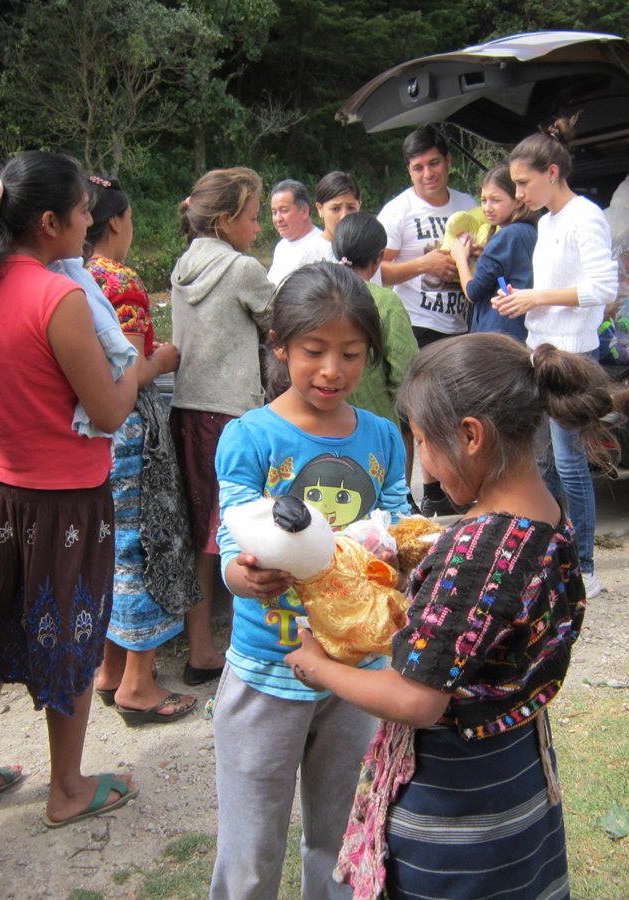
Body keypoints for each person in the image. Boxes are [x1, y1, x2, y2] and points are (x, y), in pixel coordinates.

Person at [285, 333, 613, 900]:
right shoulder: (548, 516)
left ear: (470, 435)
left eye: (425, 446)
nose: (428, 471)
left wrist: (318, 666)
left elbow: (418, 699)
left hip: (455, 813)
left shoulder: (474, 555)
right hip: (517, 777)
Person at [0, 151, 140, 828]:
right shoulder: (59, 297)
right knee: (70, 640)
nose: (90, 221)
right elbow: (108, 412)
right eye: (83, 211)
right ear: (50, 223)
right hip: (67, 505)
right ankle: (67, 789)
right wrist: (142, 365)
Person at [210, 262, 409, 899]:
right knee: (250, 850)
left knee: (343, 838)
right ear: (279, 347)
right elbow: (231, 542)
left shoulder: (381, 437)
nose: (332, 371)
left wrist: (397, 548)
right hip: (268, 670)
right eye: (314, 351)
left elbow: (399, 523)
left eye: (351, 354)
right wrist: (244, 576)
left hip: (357, 675)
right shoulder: (250, 437)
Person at [84, 174, 198, 723]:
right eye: (129, 221)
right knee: (143, 545)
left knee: (108, 548)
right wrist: (166, 358)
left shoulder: (68, 277)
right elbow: (127, 372)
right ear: (114, 223)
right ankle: (138, 683)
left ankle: (109, 670)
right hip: (130, 430)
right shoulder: (118, 283)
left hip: (87, 436)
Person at [493, 115, 619, 600]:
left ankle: (585, 567)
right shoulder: (546, 222)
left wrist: (536, 296)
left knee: (569, 463)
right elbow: (556, 290)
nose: (518, 192)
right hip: (540, 348)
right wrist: (525, 300)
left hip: (571, 353)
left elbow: (603, 289)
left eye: (523, 182)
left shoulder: (585, 215)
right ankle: (550, 555)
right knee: (542, 460)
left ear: (552, 173)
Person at [171, 166, 275, 686]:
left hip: (188, 410)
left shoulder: (183, 265)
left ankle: (201, 648)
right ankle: (244, 646)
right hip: (233, 413)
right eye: (254, 218)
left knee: (201, 532)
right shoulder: (241, 270)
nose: (259, 229)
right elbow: (281, 321)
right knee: (239, 529)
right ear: (228, 219)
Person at [377, 126, 476, 516]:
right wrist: (424, 264)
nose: (427, 173)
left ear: (448, 161)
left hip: (463, 322)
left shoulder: (468, 205)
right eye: (418, 167)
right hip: (417, 322)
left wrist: (471, 263)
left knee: (454, 414)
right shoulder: (398, 211)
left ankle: (447, 490)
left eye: (434, 163)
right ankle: (409, 494)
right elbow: (377, 271)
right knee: (416, 415)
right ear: (409, 171)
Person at [331, 212, 418, 481]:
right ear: (379, 257)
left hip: (318, 428)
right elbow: (406, 371)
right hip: (375, 433)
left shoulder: (315, 293)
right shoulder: (386, 303)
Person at [448, 164, 539, 342]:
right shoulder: (532, 231)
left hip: (497, 333)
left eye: (496, 200)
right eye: (483, 200)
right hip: (523, 330)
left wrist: (460, 258)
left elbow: (473, 292)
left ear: (518, 201)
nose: (487, 207)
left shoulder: (506, 236)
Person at [266, 179, 327, 284]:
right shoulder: (281, 246)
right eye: (274, 212)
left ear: (304, 211)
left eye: (284, 210)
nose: (278, 219)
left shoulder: (323, 247)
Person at [313, 171, 362, 259]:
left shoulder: (367, 250)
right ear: (320, 209)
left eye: (351, 208)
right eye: (335, 209)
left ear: (359, 206)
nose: (344, 216)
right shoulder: (311, 253)